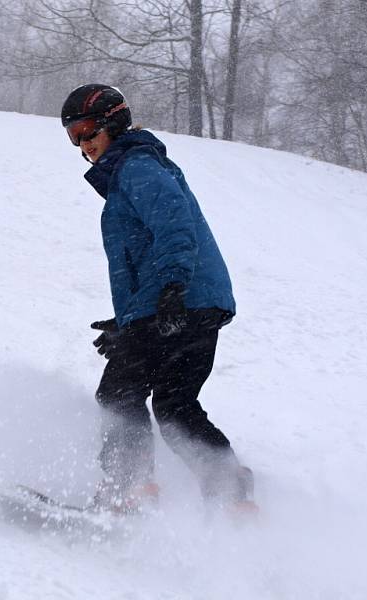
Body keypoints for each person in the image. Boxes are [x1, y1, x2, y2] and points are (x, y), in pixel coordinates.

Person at [60, 84, 256, 515]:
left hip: (180, 300)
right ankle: (231, 497)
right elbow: (149, 253)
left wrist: (169, 291)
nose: (84, 143)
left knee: (120, 392)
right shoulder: (138, 168)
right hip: (196, 302)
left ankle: (126, 491)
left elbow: (174, 226)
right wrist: (128, 321)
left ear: (114, 122)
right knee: (175, 404)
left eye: (89, 130)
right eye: (74, 136)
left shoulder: (136, 167)